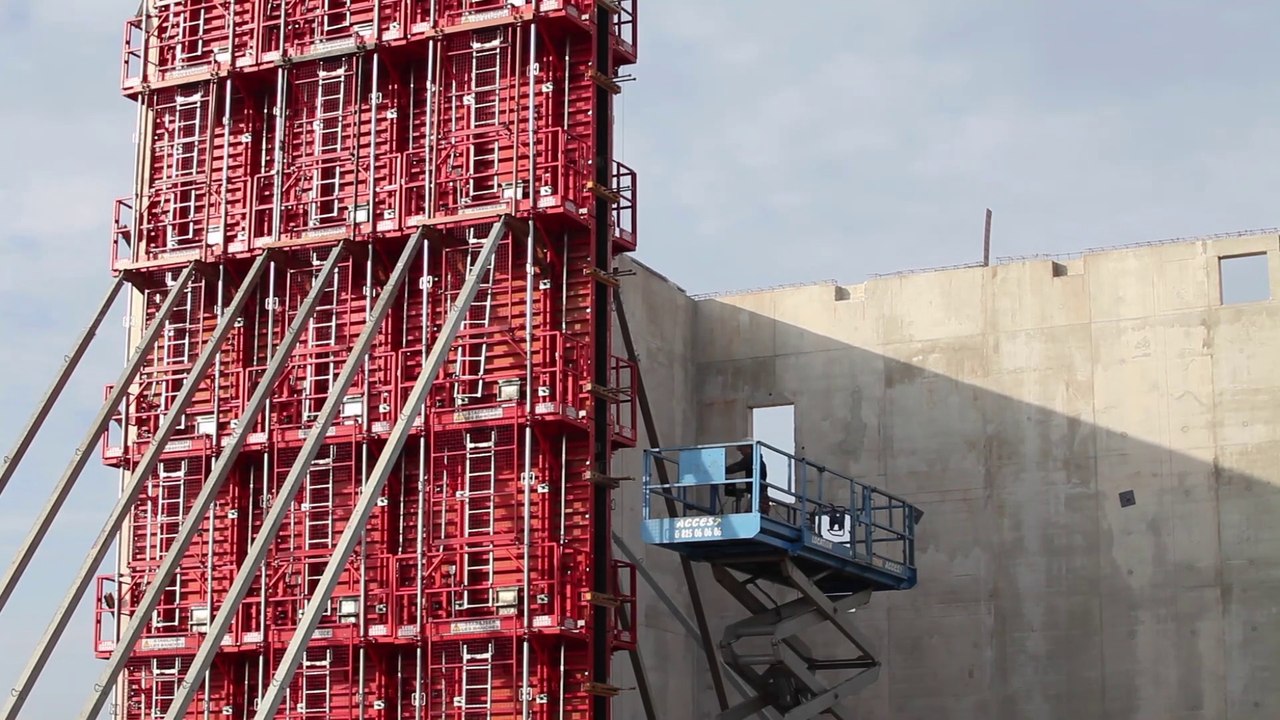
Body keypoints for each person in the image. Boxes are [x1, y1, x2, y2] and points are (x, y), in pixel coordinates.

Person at [724, 444, 770, 514]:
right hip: (760, 494)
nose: (741, 452)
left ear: (747, 447)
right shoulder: (757, 459)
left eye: (741, 449)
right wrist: (746, 489)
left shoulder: (750, 458)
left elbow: (736, 467)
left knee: (752, 514)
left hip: (758, 496)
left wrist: (721, 469)